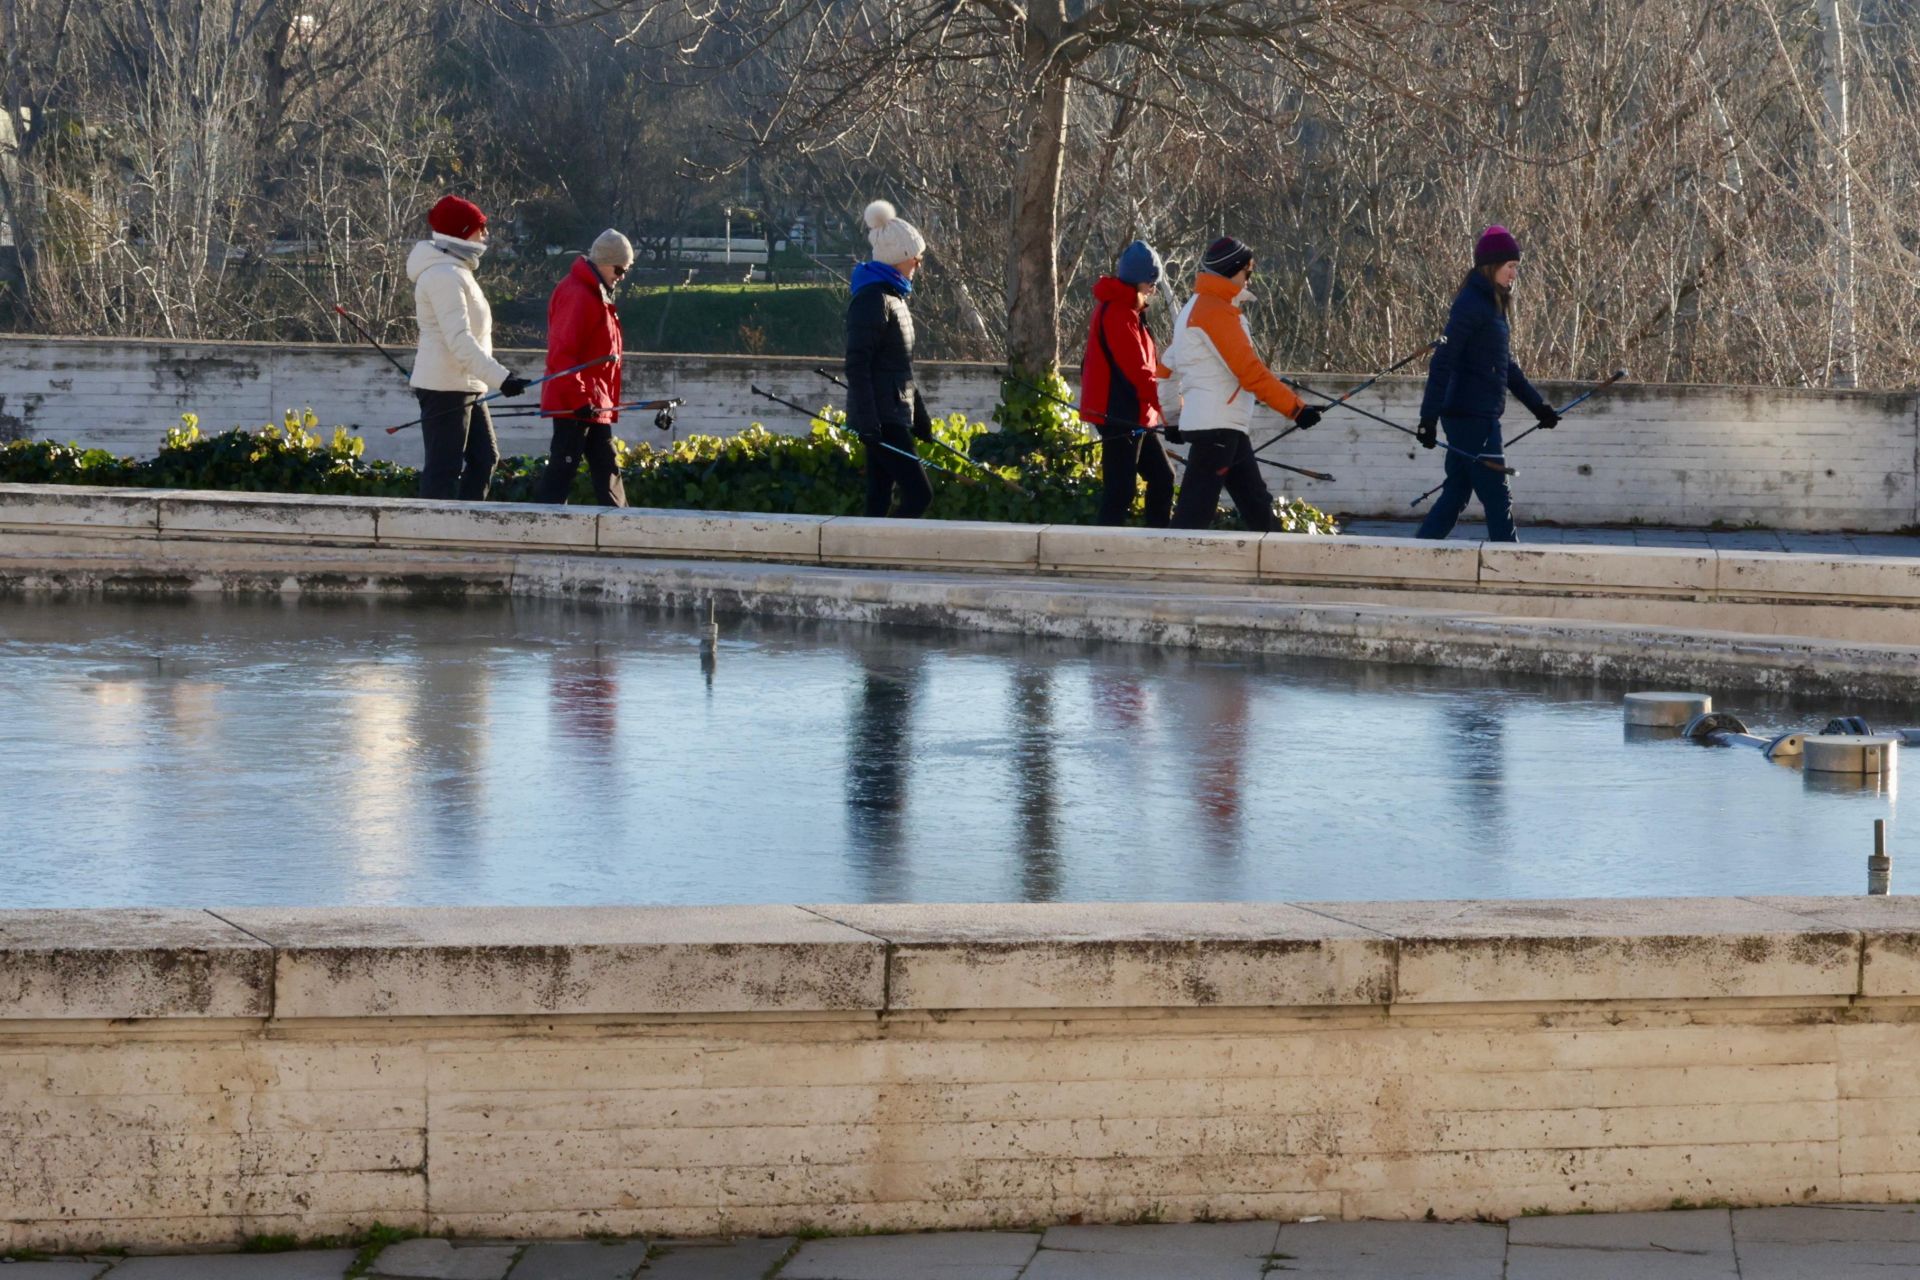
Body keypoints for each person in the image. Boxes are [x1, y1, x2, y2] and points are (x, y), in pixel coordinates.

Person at [1160, 236, 1323, 530]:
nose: (1250, 278)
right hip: (1217, 426)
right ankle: (1170, 568)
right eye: (1247, 272)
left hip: (1222, 425)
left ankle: (1277, 565)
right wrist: (1296, 409)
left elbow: (1164, 370)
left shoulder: (1195, 308)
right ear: (1231, 269)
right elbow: (1250, 372)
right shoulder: (1214, 312)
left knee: (1256, 504)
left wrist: (1172, 418)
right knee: (1194, 514)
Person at [1413, 225, 1559, 542]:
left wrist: (1539, 407)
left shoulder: (1492, 305)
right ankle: (1510, 567)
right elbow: (1442, 359)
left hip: (1474, 415)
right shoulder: (1471, 304)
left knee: (1455, 494)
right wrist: (1428, 417)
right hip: (1472, 417)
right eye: (1510, 267)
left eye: (1516, 268)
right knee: (1497, 497)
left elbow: (1505, 365)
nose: (1513, 275)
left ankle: (1415, 557)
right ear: (1491, 266)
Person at [405, 194, 528, 500]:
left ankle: (466, 524)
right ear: (461, 231)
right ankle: (434, 535)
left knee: (485, 459)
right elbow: (459, 339)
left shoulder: (457, 271)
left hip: (467, 383)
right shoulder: (443, 276)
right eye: (479, 227)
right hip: (446, 387)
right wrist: (501, 377)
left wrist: (493, 378)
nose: (485, 234)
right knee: (444, 468)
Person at [844, 200, 934, 519]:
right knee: (919, 494)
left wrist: (919, 414)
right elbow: (857, 365)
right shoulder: (873, 300)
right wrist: (869, 422)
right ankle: (880, 558)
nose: (918, 265)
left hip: (892, 413)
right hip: (881, 419)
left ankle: (867, 560)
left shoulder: (894, 298)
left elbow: (901, 368)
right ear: (900, 259)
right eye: (916, 258)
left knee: (880, 494)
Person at [1079, 240, 1176, 527]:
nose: (1154, 289)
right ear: (1140, 282)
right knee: (1121, 491)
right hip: (1120, 414)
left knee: (1161, 476)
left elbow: (1147, 371)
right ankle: (1104, 552)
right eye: (1151, 283)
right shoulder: (1120, 314)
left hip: (1133, 414)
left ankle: (1158, 542)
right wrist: (1172, 415)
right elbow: (1139, 372)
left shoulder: (1129, 312)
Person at [533, 229, 632, 507]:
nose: (622, 275)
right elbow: (563, 353)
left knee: (606, 467)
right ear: (604, 261)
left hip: (592, 403)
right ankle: (540, 528)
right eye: (620, 268)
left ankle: (620, 526)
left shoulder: (595, 292)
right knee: (562, 471)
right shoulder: (579, 293)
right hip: (576, 403)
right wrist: (579, 398)